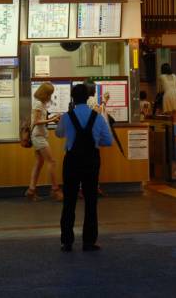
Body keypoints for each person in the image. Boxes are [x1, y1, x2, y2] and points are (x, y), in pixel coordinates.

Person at [56, 83, 113, 252]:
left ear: (73, 98)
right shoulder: (97, 117)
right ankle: (89, 241)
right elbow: (108, 141)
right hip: (91, 161)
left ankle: (67, 241)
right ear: (88, 97)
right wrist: (95, 141)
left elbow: (58, 133)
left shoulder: (67, 116)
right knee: (91, 201)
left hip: (72, 161)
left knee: (69, 202)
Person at [26, 83, 62, 202]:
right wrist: (52, 119)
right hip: (38, 136)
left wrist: (52, 117)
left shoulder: (40, 103)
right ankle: (55, 190)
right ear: (45, 93)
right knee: (52, 161)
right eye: (49, 94)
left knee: (39, 162)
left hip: (39, 135)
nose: (50, 96)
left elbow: (39, 118)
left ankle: (31, 190)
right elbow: (36, 121)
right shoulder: (38, 103)